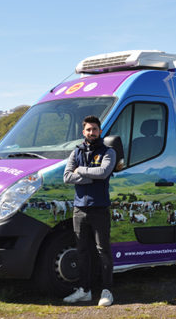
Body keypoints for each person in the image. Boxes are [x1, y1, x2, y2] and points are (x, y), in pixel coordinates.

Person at [63, 115, 116, 306]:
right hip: (79, 209)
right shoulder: (75, 152)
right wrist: (90, 176)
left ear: (100, 131)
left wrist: (81, 171)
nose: (91, 132)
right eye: (88, 129)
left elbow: (103, 172)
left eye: (95, 129)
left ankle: (107, 291)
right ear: (83, 132)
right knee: (82, 251)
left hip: (99, 208)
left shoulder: (108, 151)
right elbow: (67, 177)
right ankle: (84, 290)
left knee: (103, 250)